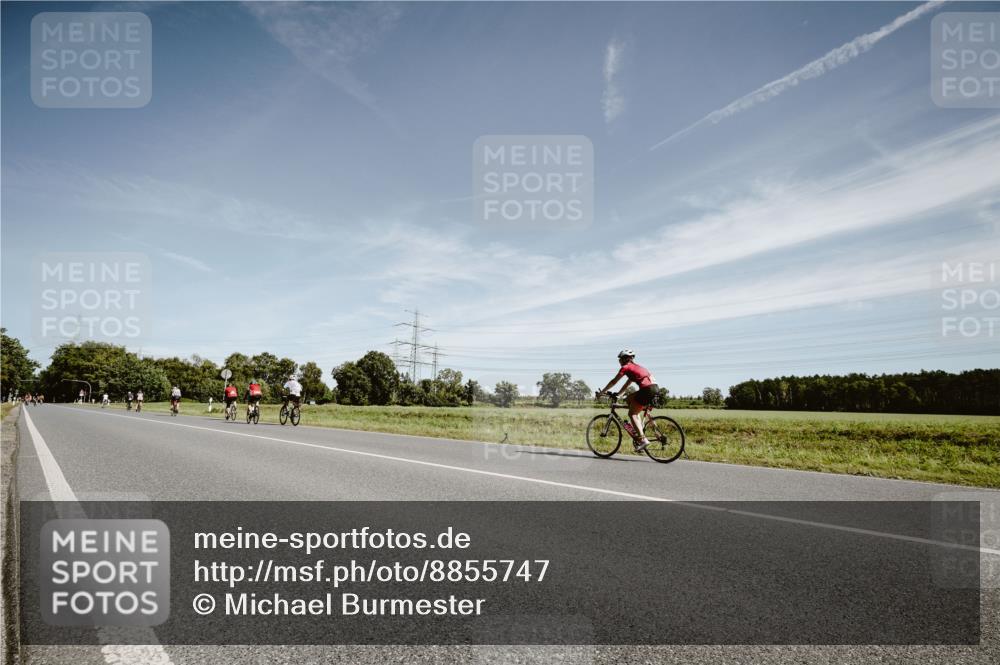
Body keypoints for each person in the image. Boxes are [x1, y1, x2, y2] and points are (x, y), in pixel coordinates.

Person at [598, 349, 659, 451]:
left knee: (632, 414)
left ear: (625, 359)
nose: (619, 361)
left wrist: (601, 392)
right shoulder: (635, 368)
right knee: (628, 399)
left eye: (620, 359)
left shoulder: (626, 367)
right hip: (655, 388)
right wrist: (619, 395)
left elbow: (614, 381)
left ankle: (642, 439)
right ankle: (639, 426)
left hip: (646, 389)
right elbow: (627, 384)